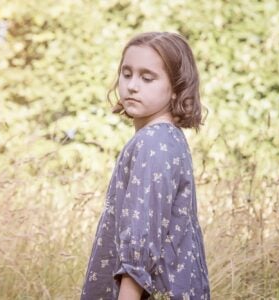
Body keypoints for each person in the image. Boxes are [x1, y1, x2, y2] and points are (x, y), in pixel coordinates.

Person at [80, 32, 210, 300]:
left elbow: (142, 235)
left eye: (147, 77)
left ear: (176, 86)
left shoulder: (153, 142)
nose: (132, 86)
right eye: (126, 74)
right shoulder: (168, 137)